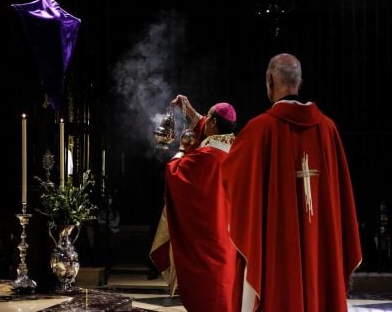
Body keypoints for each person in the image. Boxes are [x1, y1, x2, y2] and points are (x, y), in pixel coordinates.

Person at [225, 53, 362, 312]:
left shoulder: (258, 130)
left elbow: (232, 181)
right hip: (321, 245)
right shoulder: (327, 128)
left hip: (276, 251)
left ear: (269, 80)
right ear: (300, 81)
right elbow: (343, 199)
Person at [150, 94, 238, 312]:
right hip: (231, 235)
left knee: (209, 292)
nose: (204, 120)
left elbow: (174, 173)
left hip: (207, 238)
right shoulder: (238, 149)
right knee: (229, 284)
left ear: (214, 122)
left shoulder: (206, 156)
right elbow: (206, 130)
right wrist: (189, 110)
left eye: (207, 116)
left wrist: (181, 149)